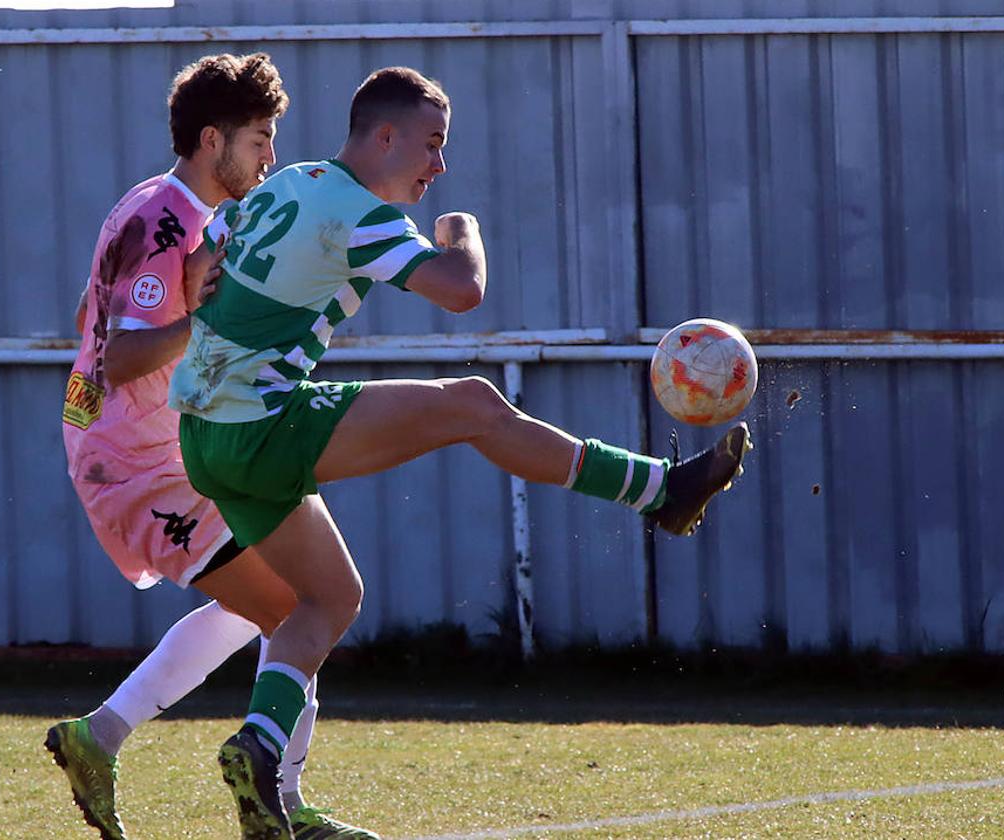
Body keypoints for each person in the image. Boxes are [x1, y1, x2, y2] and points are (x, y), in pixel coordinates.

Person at [170, 65, 752, 840]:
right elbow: (461, 290)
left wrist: (206, 283)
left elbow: (201, 255)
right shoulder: (356, 207)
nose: (438, 166)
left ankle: (261, 752)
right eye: (432, 144)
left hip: (202, 435)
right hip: (259, 423)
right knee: (474, 404)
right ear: (384, 136)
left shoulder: (292, 182)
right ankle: (661, 492)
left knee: (330, 599)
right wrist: (463, 232)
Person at [46, 53, 378, 840]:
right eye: (260, 140)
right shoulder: (168, 220)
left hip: (172, 446)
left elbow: (91, 325)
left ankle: (105, 738)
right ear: (210, 140)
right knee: (302, 606)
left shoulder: (163, 209)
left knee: (289, 603)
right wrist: (205, 320)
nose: (269, 159)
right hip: (139, 465)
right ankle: (280, 809)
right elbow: (121, 359)